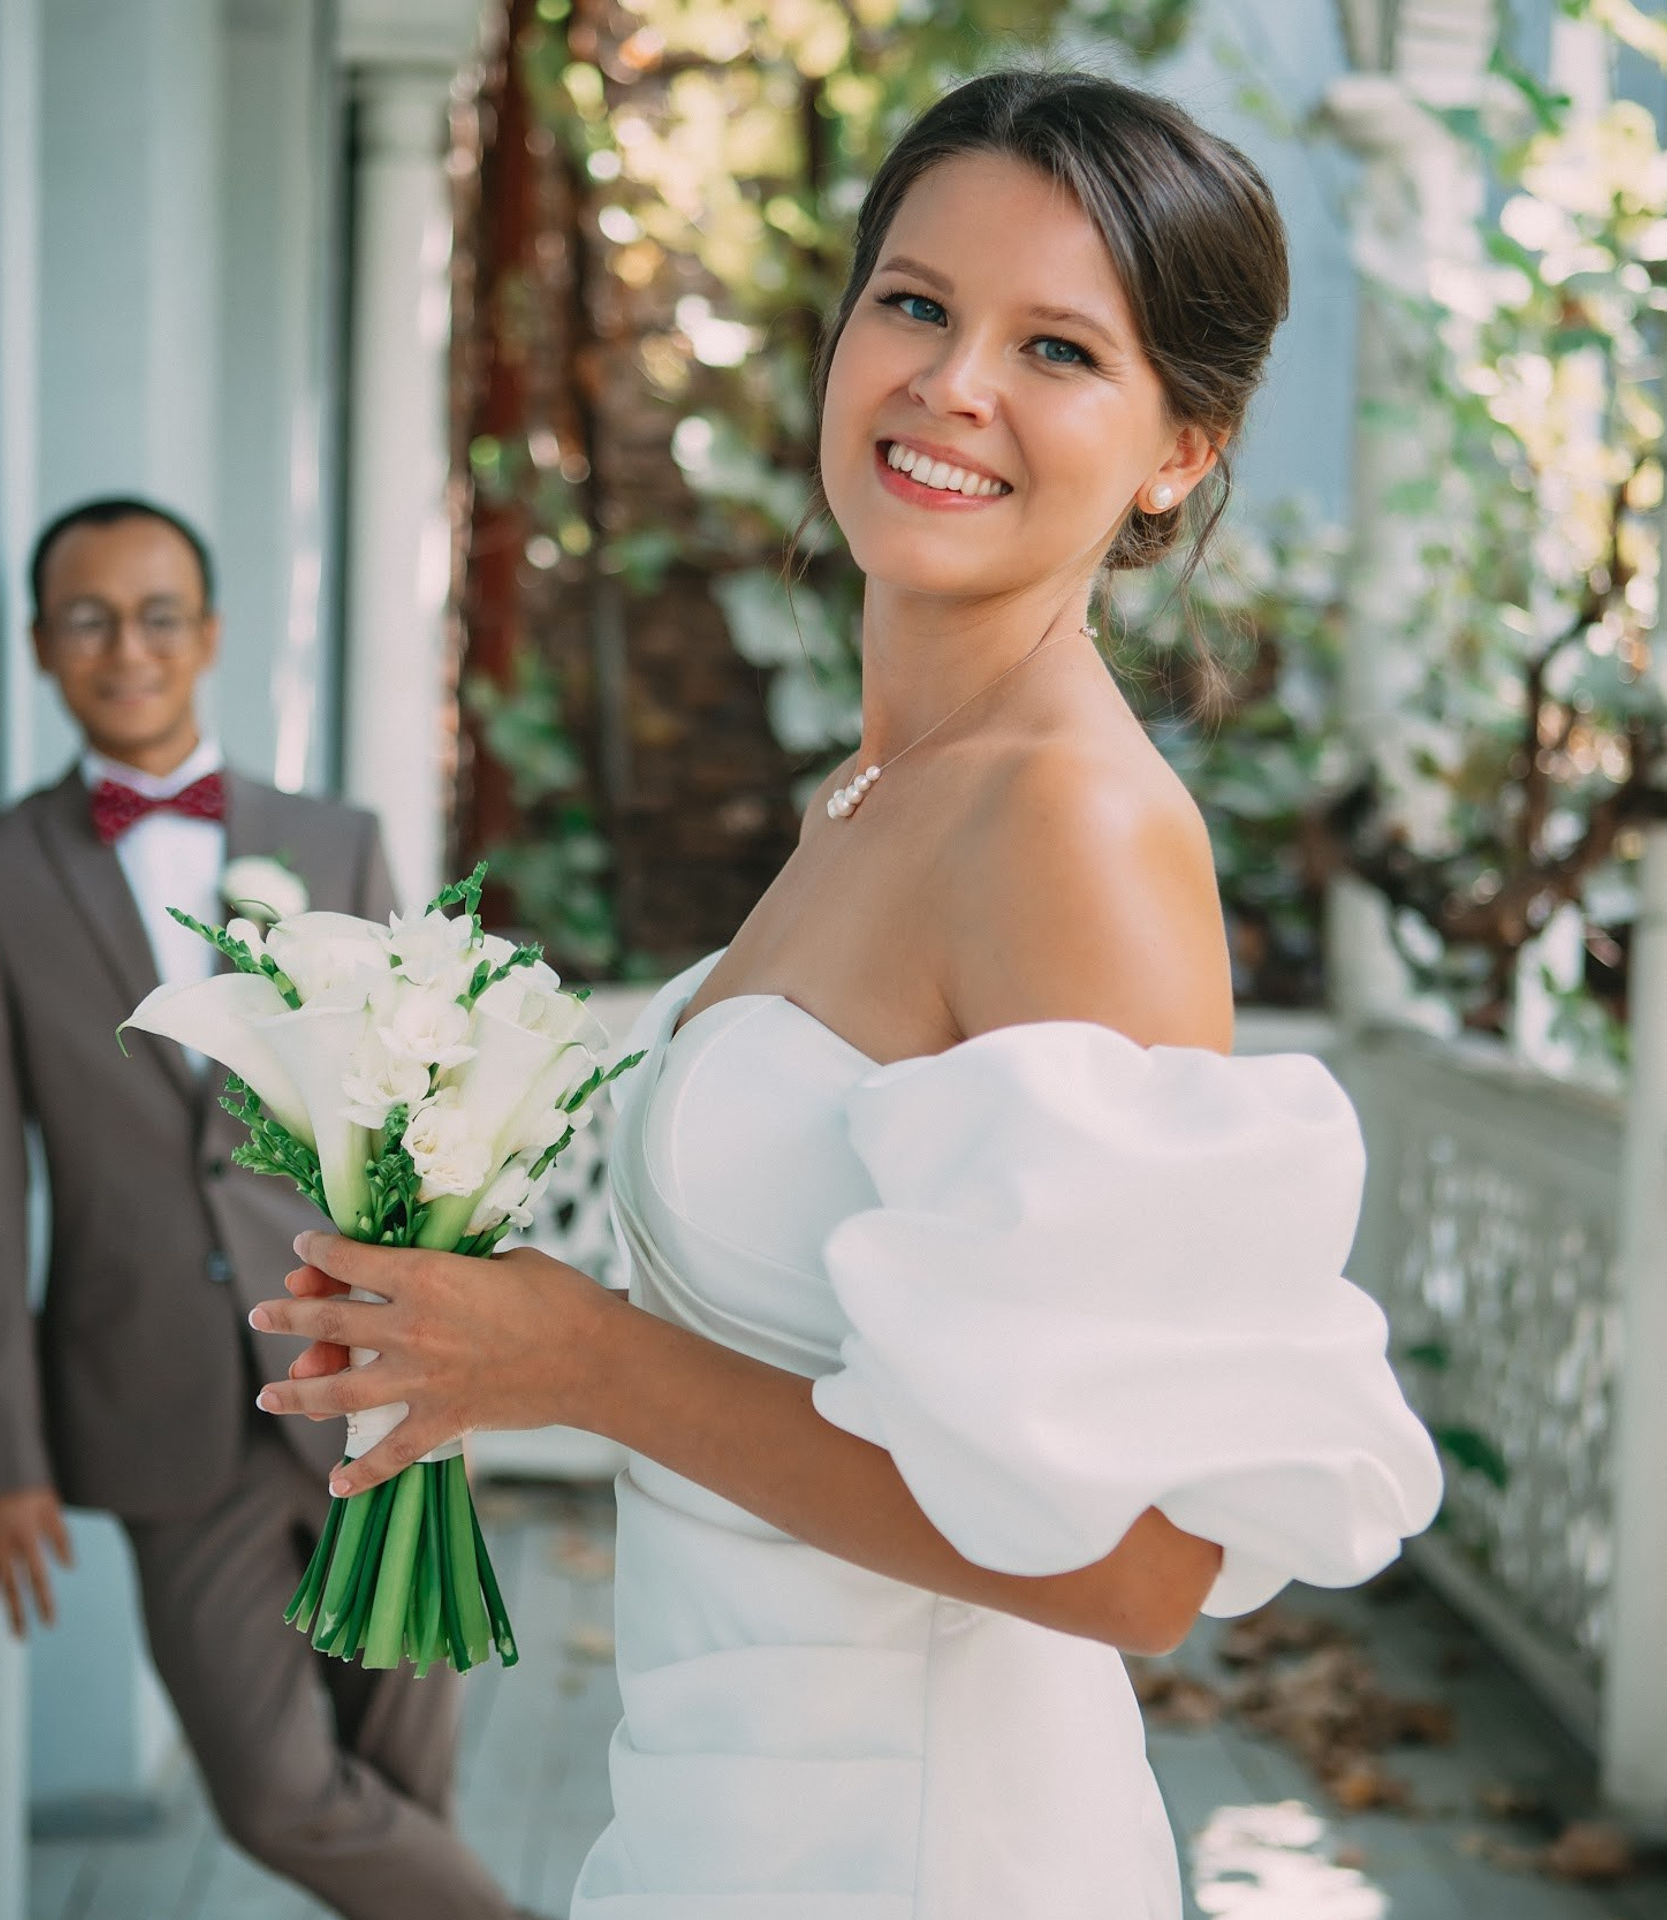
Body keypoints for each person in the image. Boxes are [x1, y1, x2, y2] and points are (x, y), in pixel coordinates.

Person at [244, 71, 1444, 1918]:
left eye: (1057, 347)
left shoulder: (1073, 828)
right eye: (916, 303)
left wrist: (584, 1363)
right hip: (728, 1817)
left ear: (1180, 445)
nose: (954, 383)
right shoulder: (878, 791)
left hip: (924, 1849)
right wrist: (468, 1327)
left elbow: (1140, 1569)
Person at [0, 497, 513, 1920]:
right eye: (86, 618)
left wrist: (450, 1347)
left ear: (206, 636)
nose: (123, 648)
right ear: (39, 646)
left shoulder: (335, 841)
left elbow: (414, 1121)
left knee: (405, 1759)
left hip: (370, 1377)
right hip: (149, 1394)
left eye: (155, 615)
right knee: (272, 1791)